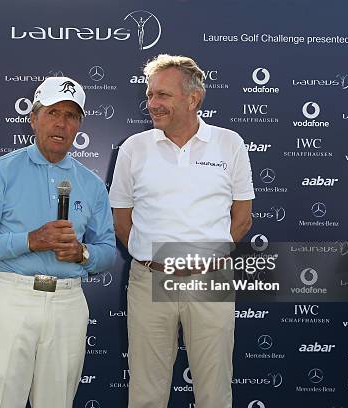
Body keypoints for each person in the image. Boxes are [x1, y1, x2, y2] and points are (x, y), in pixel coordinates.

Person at [0, 76, 115, 408]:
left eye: (71, 116)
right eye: (53, 112)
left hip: (68, 306)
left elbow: (107, 252)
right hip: (11, 300)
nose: (61, 123)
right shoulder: (1, 171)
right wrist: (29, 240)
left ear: (79, 125)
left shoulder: (91, 184)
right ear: (33, 118)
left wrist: (82, 253)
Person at [109, 54, 254, 408]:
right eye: (150, 95)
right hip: (150, 278)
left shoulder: (229, 143)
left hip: (209, 279)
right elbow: (122, 220)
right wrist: (155, 259)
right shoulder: (134, 148)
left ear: (193, 98)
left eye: (163, 96)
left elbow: (243, 218)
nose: (153, 104)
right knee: (145, 391)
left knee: (214, 390)